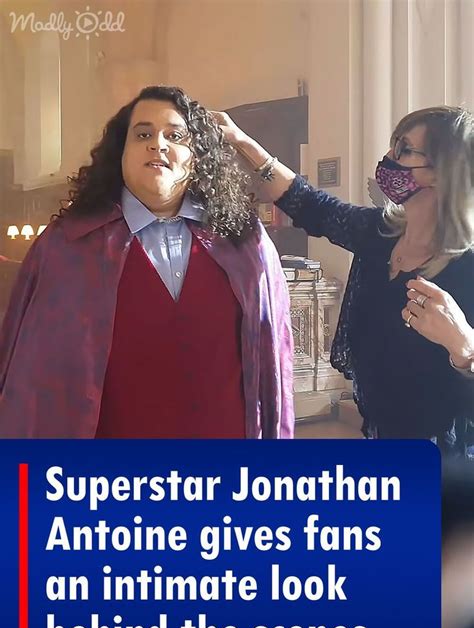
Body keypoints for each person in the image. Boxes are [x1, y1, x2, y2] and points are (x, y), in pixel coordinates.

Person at [0, 86, 294, 439]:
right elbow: (33, 378)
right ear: (120, 154)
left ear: (196, 158)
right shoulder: (66, 247)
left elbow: (273, 362)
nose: (158, 144)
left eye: (175, 135)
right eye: (143, 134)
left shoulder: (245, 243)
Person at [214, 106, 474, 459]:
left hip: (446, 457)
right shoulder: (380, 233)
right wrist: (241, 141)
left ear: (443, 172)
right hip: (381, 435)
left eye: (404, 149)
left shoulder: (466, 265)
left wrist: (463, 346)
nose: (387, 158)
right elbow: (308, 203)